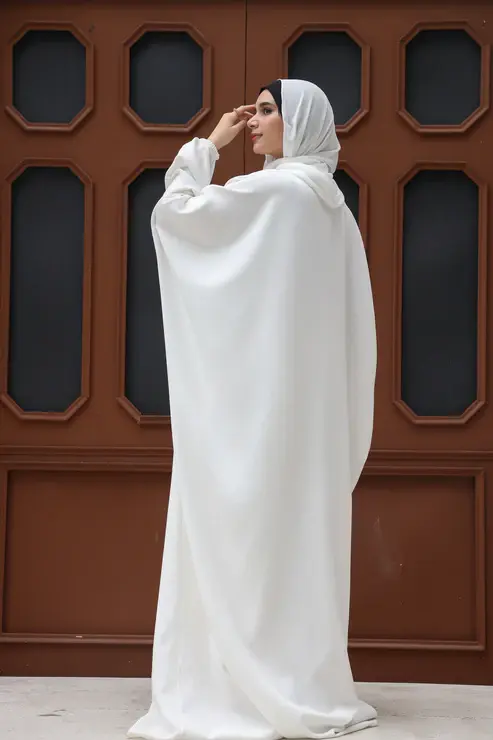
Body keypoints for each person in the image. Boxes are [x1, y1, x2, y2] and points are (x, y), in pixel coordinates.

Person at [128, 79, 378, 740]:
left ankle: (234, 686)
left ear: (300, 123)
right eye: (256, 111)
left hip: (253, 418)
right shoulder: (333, 212)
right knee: (293, 546)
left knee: (244, 542)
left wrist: (209, 145)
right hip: (307, 427)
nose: (255, 121)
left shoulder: (277, 195)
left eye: (268, 111)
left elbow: (175, 214)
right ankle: (295, 681)